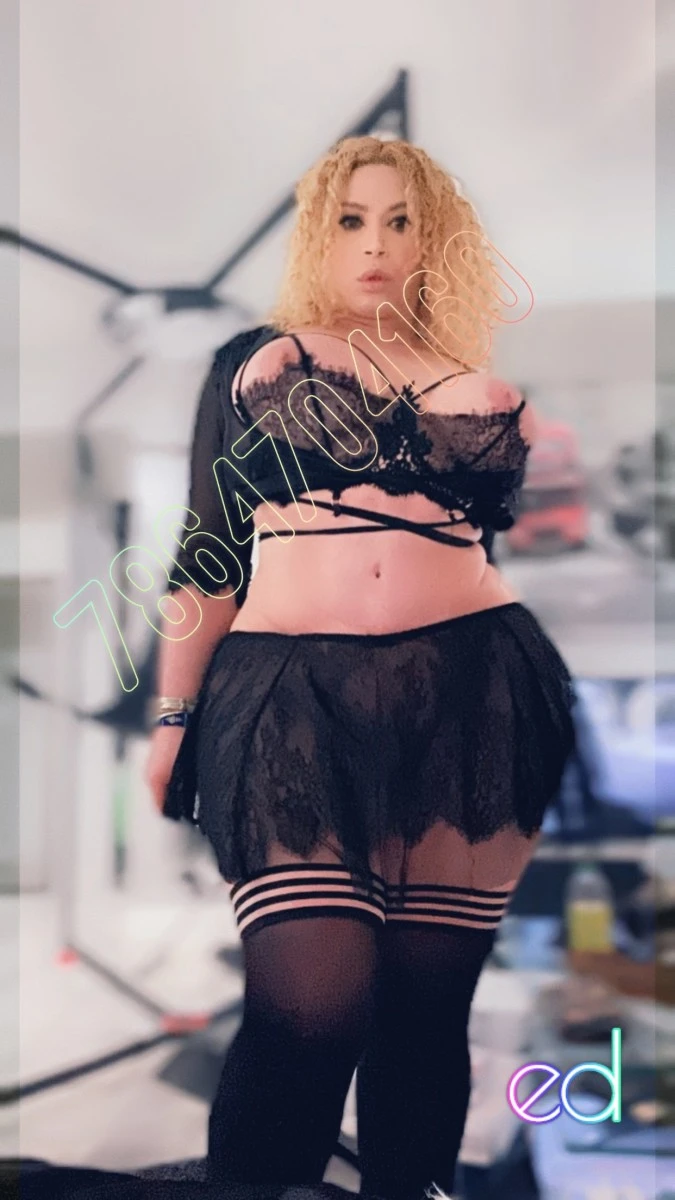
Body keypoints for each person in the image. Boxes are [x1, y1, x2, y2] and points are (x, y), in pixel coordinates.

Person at [145, 136, 576, 1200]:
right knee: (309, 1012)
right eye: (350, 220)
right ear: (319, 236)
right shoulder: (258, 360)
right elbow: (208, 551)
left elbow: (481, 543)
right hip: (292, 699)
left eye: (399, 221)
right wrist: (172, 715)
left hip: (476, 694)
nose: (374, 243)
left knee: (424, 1018)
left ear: (435, 242)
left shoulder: (484, 387)